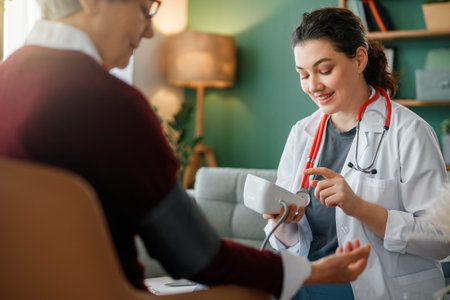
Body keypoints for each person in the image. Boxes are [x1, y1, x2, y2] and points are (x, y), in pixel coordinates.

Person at [0, 1, 371, 299]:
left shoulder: (7, 81)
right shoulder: (111, 104)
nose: (149, 30)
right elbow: (195, 256)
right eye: (146, 8)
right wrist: (311, 271)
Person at [263, 7, 450, 300]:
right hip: (305, 285)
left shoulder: (410, 132)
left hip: (378, 290)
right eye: (303, 74)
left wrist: (359, 207)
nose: (313, 86)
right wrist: (282, 223)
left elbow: (440, 239)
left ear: (359, 59)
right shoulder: (302, 134)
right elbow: (291, 242)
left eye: (325, 70)